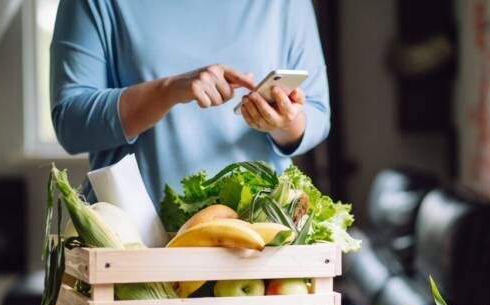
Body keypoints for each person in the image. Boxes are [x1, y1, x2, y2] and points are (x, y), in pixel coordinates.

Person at [50, 0, 330, 203]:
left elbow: (316, 112)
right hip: (133, 246)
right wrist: (168, 90)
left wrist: (281, 122)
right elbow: (70, 123)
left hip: (258, 238)